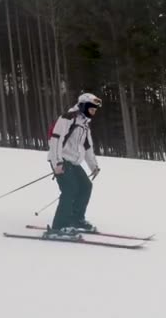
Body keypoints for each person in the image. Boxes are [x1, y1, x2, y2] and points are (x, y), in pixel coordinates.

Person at [47, 93, 102, 234]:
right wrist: (57, 162)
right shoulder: (68, 118)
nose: (93, 112)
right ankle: (58, 226)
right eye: (92, 109)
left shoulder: (84, 125)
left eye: (95, 110)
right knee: (69, 189)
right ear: (83, 106)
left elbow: (88, 147)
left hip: (73, 162)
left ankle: (76, 219)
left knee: (85, 186)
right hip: (61, 160)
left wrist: (93, 166)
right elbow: (56, 140)